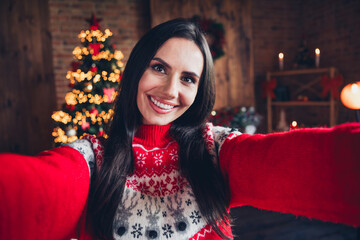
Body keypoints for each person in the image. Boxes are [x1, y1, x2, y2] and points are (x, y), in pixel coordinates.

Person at [0, 18, 359, 240]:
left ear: (199, 89)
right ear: (136, 70)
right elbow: (29, 194)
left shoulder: (217, 151)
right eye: (159, 68)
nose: (171, 90)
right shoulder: (92, 160)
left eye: (188, 78)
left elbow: (318, 164)